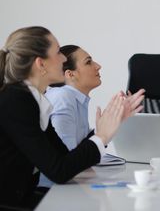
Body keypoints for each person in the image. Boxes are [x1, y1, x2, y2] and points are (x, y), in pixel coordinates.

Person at [0, 26, 144, 208]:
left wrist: (105, 128)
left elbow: (65, 161)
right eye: (58, 52)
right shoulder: (16, 101)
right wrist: (102, 136)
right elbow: (58, 171)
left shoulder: (33, 100)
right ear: (40, 64)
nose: (63, 58)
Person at [38, 45, 144, 187]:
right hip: (53, 192)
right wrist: (102, 135)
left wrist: (110, 122)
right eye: (88, 62)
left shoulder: (72, 98)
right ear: (70, 74)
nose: (98, 66)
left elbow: (78, 151)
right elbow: (68, 162)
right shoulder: (64, 97)